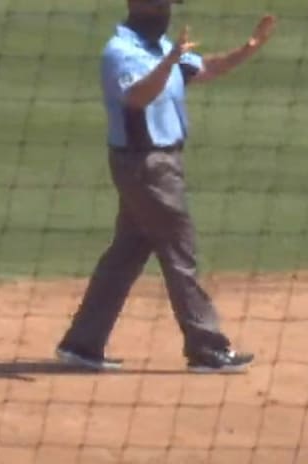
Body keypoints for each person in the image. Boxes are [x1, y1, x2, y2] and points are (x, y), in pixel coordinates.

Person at [55, 0, 277, 373]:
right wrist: (169, 60)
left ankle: (82, 344)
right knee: (179, 251)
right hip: (146, 164)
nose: (168, 12)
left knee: (127, 254)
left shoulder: (159, 47)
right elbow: (137, 97)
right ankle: (207, 348)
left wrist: (248, 49)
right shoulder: (121, 51)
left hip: (159, 163)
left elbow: (204, 68)